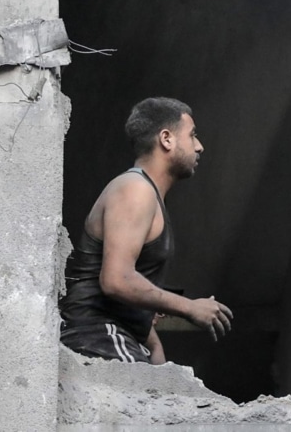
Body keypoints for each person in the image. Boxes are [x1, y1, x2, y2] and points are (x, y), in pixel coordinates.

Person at [60, 97, 233, 364]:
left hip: (117, 337)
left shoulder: (147, 194)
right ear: (167, 139)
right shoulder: (135, 190)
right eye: (192, 135)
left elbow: (129, 286)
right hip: (98, 336)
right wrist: (190, 308)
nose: (199, 147)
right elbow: (116, 280)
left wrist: (153, 344)